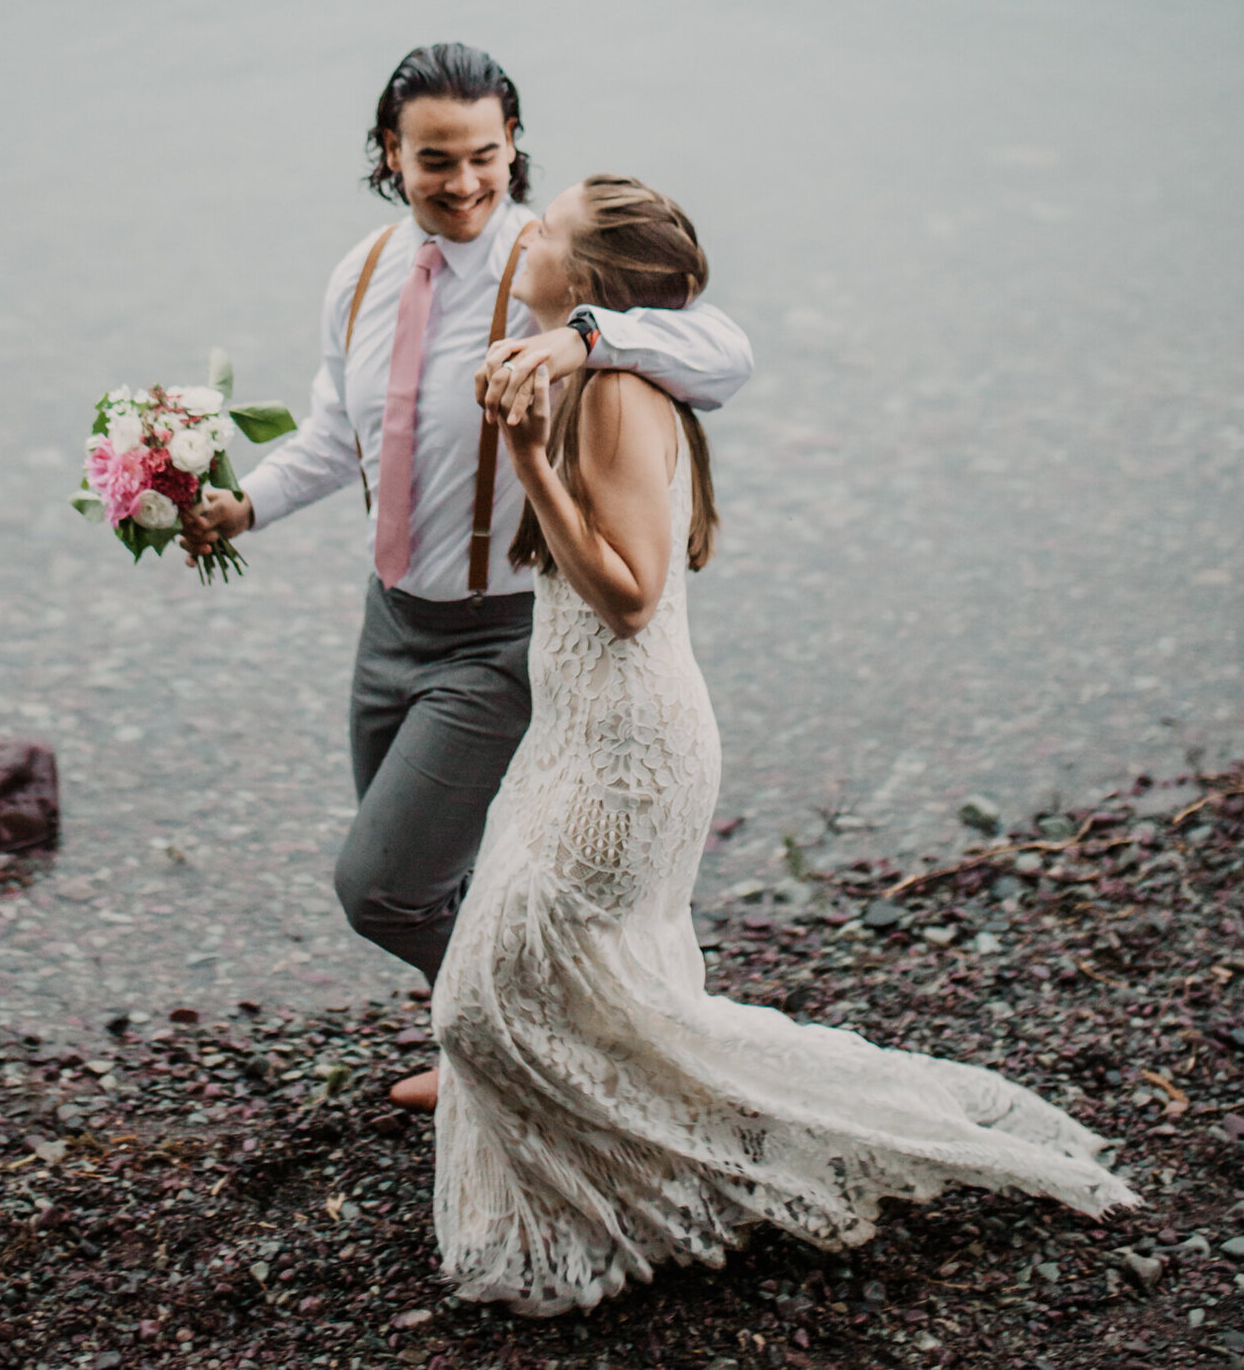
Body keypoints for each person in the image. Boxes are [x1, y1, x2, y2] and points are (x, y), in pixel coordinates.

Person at [431, 174, 1137, 1316]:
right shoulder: (574, 364)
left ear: (594, 284)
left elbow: (627, 595)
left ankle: (695, 1175)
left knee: (483, 1001)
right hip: (567, 740)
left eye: (545, 229)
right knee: (580, 996)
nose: (524, 234)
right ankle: (612, 1189)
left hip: (625, 749)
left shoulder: (614, 393)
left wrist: (526, 460)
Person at [183, 46, 752, 1084]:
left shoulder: (554, 271)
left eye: (484, 155)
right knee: (435, 885)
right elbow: (333, 433)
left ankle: (558, 1039)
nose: (463, 183)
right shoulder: (359, 273)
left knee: (380, 885)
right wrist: (244, 504)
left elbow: (722, 351)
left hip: (497, 641)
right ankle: (492, 1054)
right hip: (388, 622)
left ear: (513, 149)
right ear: (389, 155)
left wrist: (587, 340)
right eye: (434, 159)